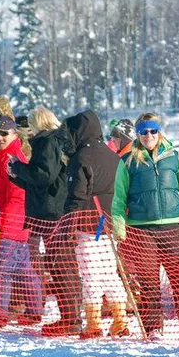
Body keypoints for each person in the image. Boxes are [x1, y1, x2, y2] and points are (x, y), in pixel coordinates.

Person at [112, 113, 179, 340]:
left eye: (152, 130)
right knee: (149, 281)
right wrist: (119, 226)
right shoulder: (128, 161)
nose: (148, 135)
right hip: (141, 229)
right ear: (138, 134)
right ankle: (153, 327)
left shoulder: (172, 157)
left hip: (172, 226)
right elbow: (119, 198)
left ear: (159, 131)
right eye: (143, 131)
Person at [8, 107, 75, 334]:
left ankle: (70, 317)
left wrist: (19, 167)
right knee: (57, 264)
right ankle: (69, 316)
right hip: (48, 207)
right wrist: (16, 176)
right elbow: (40, 181)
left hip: (51, 211)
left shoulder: (46, 142)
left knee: (59, 264)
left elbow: (43, 175)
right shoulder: (51, 142)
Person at [61, 110, 125, 339]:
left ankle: (94, 324)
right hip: (110, 223)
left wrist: (67, 224)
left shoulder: (82, 157)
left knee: (90, 275)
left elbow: (76, 195)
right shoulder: (113, 156)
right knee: (110, 273)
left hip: (88, 224)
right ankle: (120, 320)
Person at [0, 115, 43, 327]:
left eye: (4, 133)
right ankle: (35, 310)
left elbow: (18, 196)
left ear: (14, 134)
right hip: (13, 224)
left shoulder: (13, 160)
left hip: (10, 223)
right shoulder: (1, 156)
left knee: (0, 270)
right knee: (23, 269)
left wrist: (4, 224)